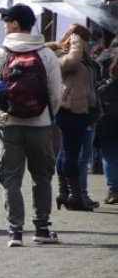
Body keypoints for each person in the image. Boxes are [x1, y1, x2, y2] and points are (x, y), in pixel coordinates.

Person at [0, 4, 62, 247]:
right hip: (40, 125)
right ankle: (42, 228)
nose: (4, 26)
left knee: (11, 178)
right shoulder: (46, 54)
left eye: (6, 21)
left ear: (15, 24)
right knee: (42, 176)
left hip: (9, 125)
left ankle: (15, 232)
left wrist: (0, 115)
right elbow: (56, 94)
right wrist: (45, 115)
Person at [53, 24, 101, 211]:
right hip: (69, 110)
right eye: (86, 40)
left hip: (82, 110)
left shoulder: (85, 58)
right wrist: (76, 42)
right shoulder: (61, 54)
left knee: (67, 152)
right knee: (71, 153)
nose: (89, 45)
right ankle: (74, 196)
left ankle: (65, 193)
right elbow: (72, 63)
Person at [96, 51, 118, 204]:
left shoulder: (108, 83)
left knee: (110, 156)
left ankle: (113, 190)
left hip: (108, 121)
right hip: (109, 121)